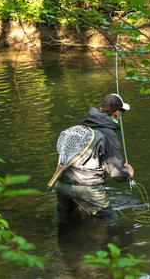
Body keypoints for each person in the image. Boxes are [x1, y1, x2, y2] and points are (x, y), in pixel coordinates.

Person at [55, 93, 134, 223]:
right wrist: (128, 174)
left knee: (66, 222)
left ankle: (64, 242)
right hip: (87, 188)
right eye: (121, 112)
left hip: (62, 184)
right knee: (109, 223)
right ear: (116, 112)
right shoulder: (107, 134)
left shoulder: (81, 128)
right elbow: (117, 173)